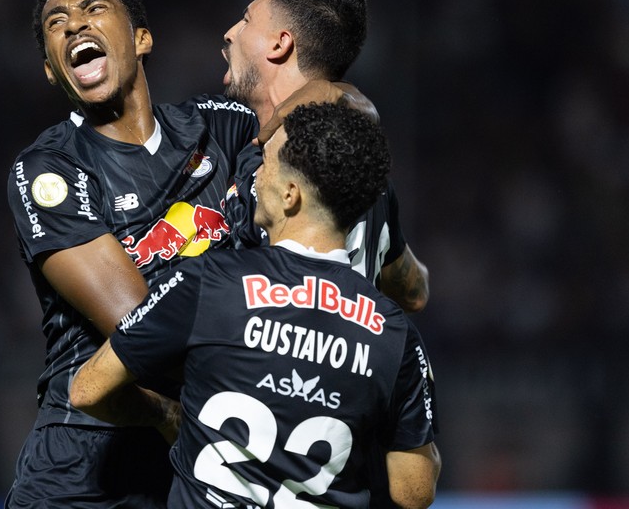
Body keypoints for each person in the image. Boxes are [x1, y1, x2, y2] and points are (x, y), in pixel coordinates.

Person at [70, 103, 442, 508]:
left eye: (265, 162)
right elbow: (414, 491)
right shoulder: (394, 334)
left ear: (290, 194)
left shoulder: (208, 280)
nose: (256, 174)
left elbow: (87, 389)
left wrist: (167, 415)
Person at [5, 0, 258, 508]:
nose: (74, 25)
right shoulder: (50, 169)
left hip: (200, 448)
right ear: (52, 71)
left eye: (94, 9)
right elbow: (138, 324)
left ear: (142, 39)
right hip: (88, 459)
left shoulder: (223, 128)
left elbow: (329, 129)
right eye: (57, 23)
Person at [220, 0, 430, 313]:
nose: (229, 33)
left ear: (280, 43)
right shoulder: (365, 176)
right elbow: (415, 291)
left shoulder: (279, 163)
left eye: (245, 20)